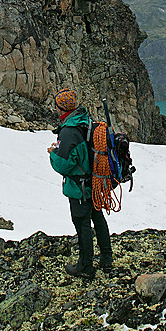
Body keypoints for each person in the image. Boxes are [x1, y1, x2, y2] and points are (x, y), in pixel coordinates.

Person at [48, 89, 113, 278]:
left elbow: (64, 164)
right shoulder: (86, 121)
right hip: (94, 181)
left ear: (60, 107)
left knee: (82, 223)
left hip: (79, 187)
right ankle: (106, 260)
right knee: (97, 217)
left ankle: (85, 267)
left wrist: (52, 153)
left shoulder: (69, 131)